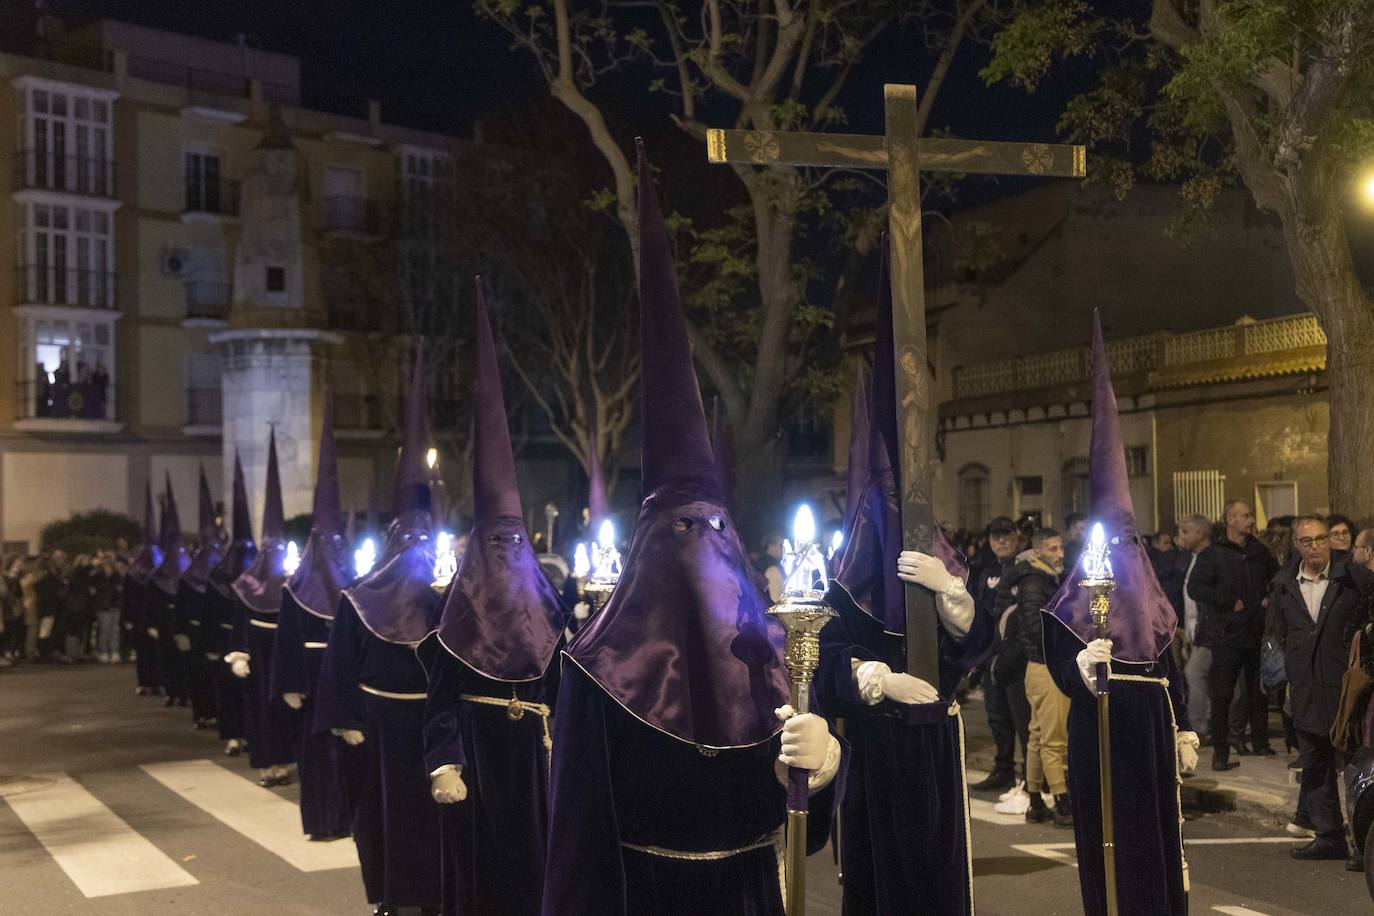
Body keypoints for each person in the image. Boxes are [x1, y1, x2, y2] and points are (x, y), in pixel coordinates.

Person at [540, 146, 838, 916]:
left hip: (749, 894)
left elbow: (799, 831)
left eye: (710, 529)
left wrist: (823, 767)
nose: (696, 546)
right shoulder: (597, 669)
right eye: (678, 530)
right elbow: (575, 839)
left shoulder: (766, 652)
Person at [814, 241, 993, 915]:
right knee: (880, 884)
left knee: (938, 883)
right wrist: (871, 677)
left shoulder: (940, 553)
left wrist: (953, 597)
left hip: (937, 745)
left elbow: (972, 650)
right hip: (878, 748)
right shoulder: (846, 576)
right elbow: (825, 662)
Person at [421, 281, 567, 916]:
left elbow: (568, 692)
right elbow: (440, 706)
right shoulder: (457, 622)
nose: (507, 554)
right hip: (479, 764)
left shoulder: (550, 614)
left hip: (535, 765)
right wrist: (444, 763)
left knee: (537, 873)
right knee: (481, 876)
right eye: (496, 542)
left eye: (516, 542)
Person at [1043, 311, 1194, 916]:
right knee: (1110, 847)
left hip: (1153, 731)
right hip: (1100, 730)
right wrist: (1082, 668)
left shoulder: (1154, 596)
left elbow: (1170, 666)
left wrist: (1183, 725)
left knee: (1158, 840)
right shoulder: (1066, 604)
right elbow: (1058, 668)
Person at [317, 346, 443, 916]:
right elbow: (339, 664)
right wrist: (344, 720)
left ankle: (439, 892)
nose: (418, 551)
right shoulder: (359, 597)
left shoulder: (449, 595)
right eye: (409, 540)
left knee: (437, 814)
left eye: (426, 540)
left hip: (435, 724)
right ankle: (391, 895)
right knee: (382, 814)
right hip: (380, 722)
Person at [272, 399, 358, 840]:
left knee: (345, 757)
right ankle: (323, 821)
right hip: (309, 687)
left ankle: (345, 818)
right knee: (317, 754)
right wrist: (289, 685)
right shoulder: (295, 591)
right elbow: (287, 642)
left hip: (341, 687)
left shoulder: (356, 588)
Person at [1270, 515, 1374, 861]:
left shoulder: (1353, 578)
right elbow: (1278, 632)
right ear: (1296, 545)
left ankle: (1363, 846)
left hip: (1346, 689)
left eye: (1320, 539)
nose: (1314, 547)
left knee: (1356, 766)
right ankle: (1329, 836)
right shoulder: (1285, 582)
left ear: (1329, 541)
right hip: (1305, 687)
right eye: (1306, 541)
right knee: (1315, 768)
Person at [225, 433, 296, 788]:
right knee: (262, 714)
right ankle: (267, 762)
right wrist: (239, 653)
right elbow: (240, 621)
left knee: (283, 712)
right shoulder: (247, 586)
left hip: (283, 658)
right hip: (257, 657)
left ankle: (284, 760)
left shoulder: (292, 585)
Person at [1187, 499, 1278, 768]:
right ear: (1230, 520)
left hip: (1255, 631)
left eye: (1249, 515)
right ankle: (1221, 753)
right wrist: (1228, 601)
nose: (1250, 520)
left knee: (1257, 692)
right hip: (1226, 635)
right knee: (1222, 694)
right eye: (1245, 515)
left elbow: (1277, 578)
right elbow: (1196, 588)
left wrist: (1267, 598)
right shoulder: (1213, 554)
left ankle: (1261, 743)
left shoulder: (1258, 551)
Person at [1002, 527, 1073, 826]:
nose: (1060, 554)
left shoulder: (1042, 579)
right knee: (1053, 739)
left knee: (1038, 736)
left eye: (1061, 548)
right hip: (1045, 666)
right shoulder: (1035, 582)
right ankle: (1061, 800)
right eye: (1054, 549)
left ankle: (1034, 801)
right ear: (1038, 551)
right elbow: (1036, 625)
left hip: (1039, 665)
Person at [970, 516, 1027, 793]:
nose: (1001, 541)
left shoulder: (1025, 567)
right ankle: (1003, 770)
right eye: (995, 536)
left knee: (1024, 721)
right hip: (990, 656)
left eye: (1006, 535)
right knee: (998, 718)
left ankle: (1031, 778)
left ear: (1016, 537)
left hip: (1017, 658)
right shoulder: (985, 570)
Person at [178, 467, 223, 728]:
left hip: (215, 634)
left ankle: (216, 712)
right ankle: (201, 712)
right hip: (195, 635)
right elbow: (182, 608)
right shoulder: (189, 578)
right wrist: (180, 632)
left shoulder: (222, 579)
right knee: (198, 676)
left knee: (216, 677)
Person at [151, 475, 191, 706]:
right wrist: (153, 623)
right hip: (165, 624)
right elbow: (153, 603)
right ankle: (171, 691)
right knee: (167, 659)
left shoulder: (187, 576)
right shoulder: (158, 578)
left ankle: (184, 692)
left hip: (180, 624)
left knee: (183, 660)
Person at [1174, 514, 1214, 742]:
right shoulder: (1191, 558)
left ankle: (1199, 725)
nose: (1181, 538)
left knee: (1194, 672)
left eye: (1185, 532)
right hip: (1194, 630)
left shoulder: (1209, 559)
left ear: (1199, 534)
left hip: (1207, 632)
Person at [127, 484, 163, 693]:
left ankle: (152, 682)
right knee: (148, 651)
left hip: (147, 619)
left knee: (151, 651)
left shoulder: (143, 574)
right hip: (144, 619)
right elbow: (129, 599)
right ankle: (148, 682)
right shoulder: (136, 575)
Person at [758, 533, 785, 602]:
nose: (783, 550)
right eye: (781, 545)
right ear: (771, 546)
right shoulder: (773, 570)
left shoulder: (759, 564)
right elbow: (775, 599)